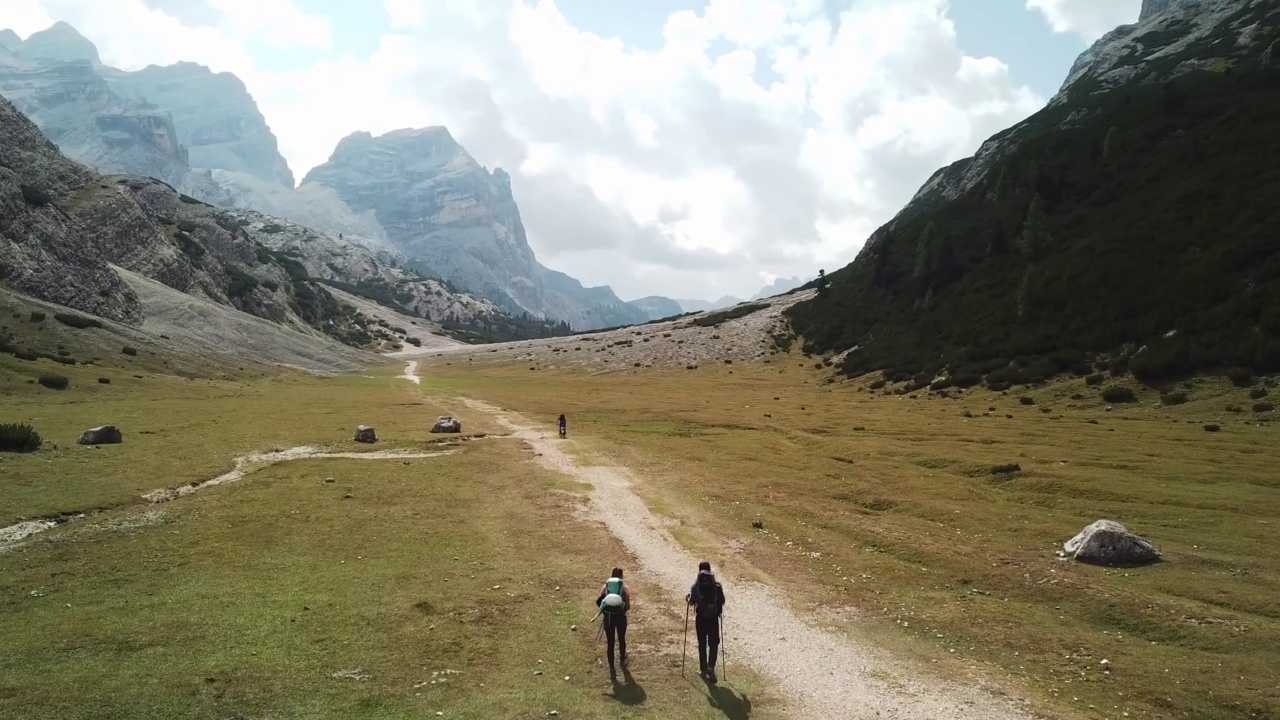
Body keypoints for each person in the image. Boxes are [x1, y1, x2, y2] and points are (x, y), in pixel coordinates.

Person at [686, 560, 725, 684]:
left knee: (702, 643)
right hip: (713, 619)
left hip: (701, 618)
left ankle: (703, 669)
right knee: (713, 644)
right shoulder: (717, 586)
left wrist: (688, 598)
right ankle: (711, 668)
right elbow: (722, 601)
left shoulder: (696, 586)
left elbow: (692, 601)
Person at [596, 567, 631, 679]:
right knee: (622, 639)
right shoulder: (624, 589)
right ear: (621, 577)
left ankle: (611, 667)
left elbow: (600, 602)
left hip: (609, 618)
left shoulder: (605, 588)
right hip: (621, 618)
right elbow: (627, 606)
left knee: (610, 643)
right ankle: (622, 660)